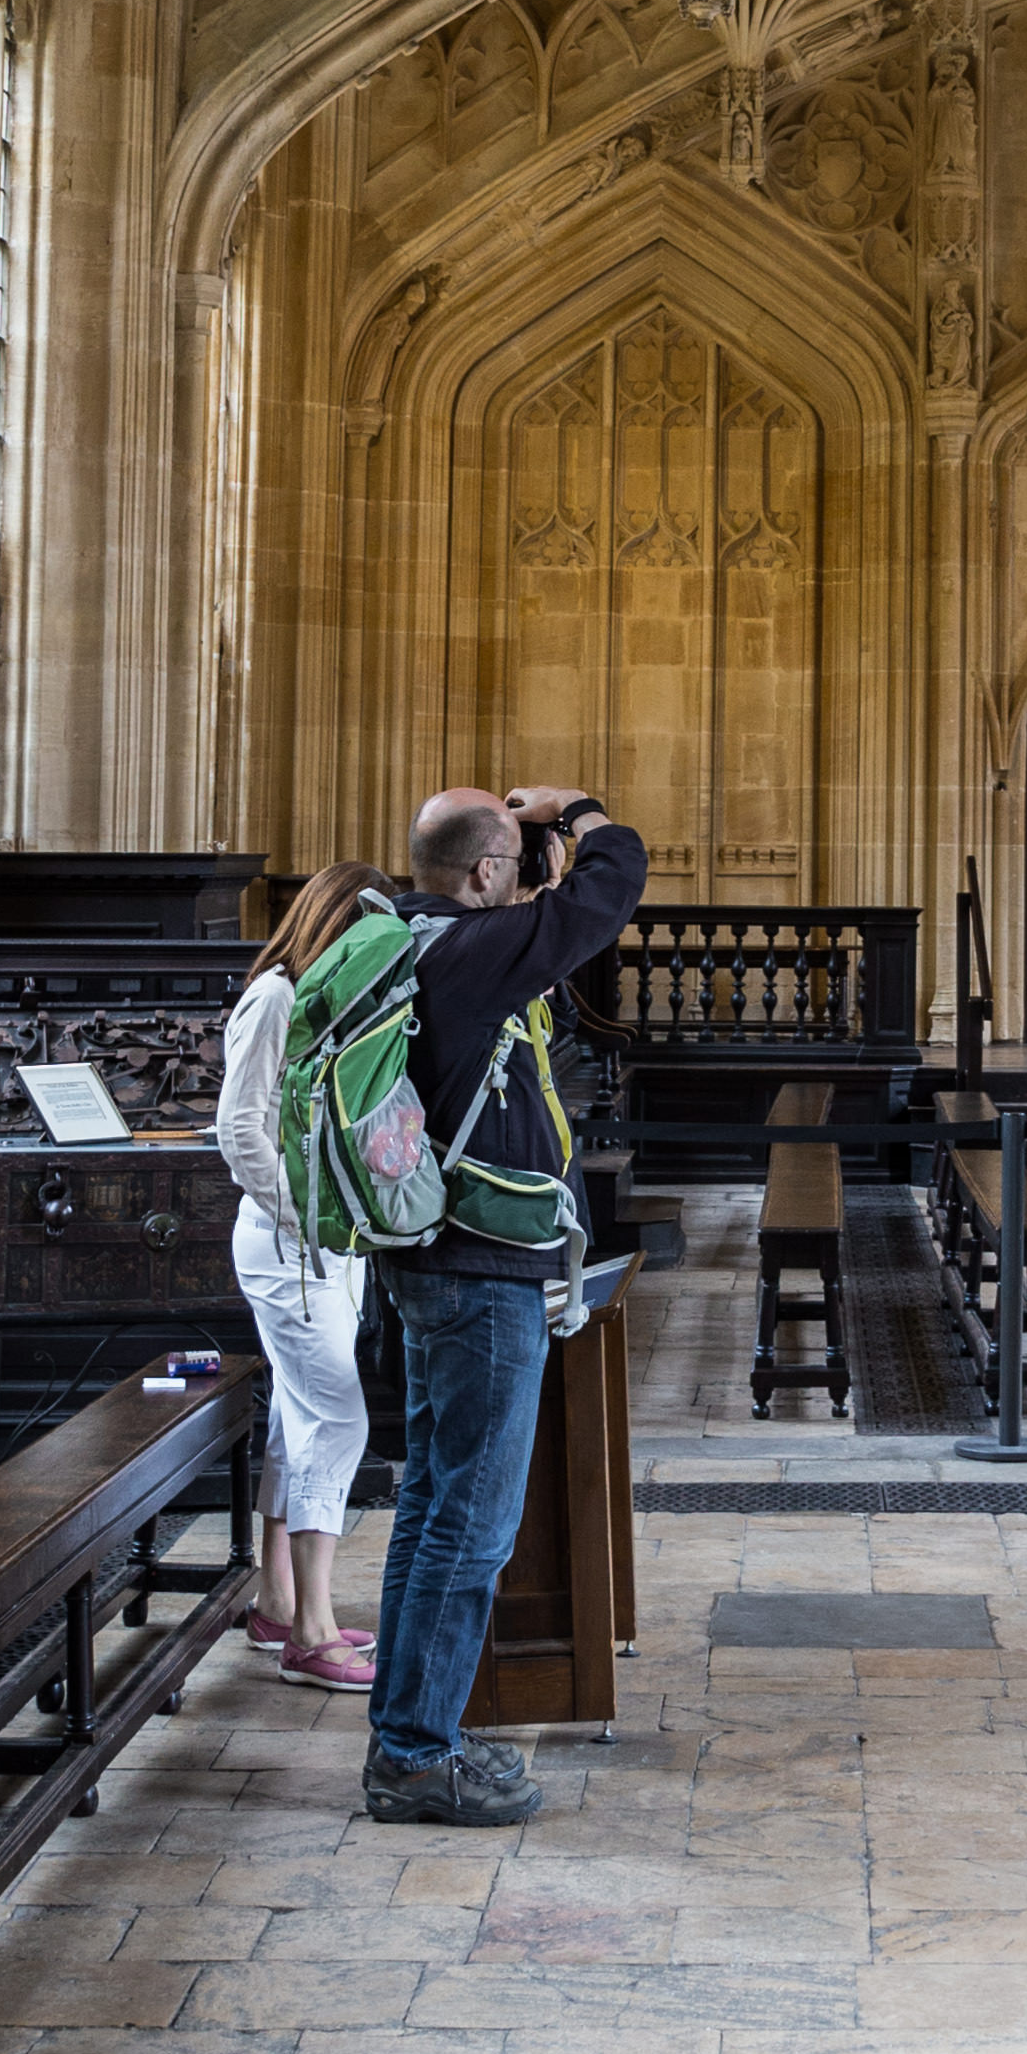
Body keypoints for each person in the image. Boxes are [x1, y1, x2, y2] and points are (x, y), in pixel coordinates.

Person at [364, 781, 646, 1825]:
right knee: (473, 1525)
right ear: (486, 871)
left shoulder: (412, 939)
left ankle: (409, 1731)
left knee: (432, 1509)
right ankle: (414, 1753)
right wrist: (583, 812)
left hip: (436, 1265)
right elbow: (611, 889)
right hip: (481, 1279)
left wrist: (530, 861)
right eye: (512, 861)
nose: (525, 875)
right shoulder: (474, 955)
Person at [213, 856, 386, 1692]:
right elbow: (239, 1129)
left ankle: (278, 1602)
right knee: (336, 1420)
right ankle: (312, 1635)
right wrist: (307, 1216)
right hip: (291, 1245)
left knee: (297, 1417)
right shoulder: (277, 996)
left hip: (322, 1244)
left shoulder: (318, 1002)